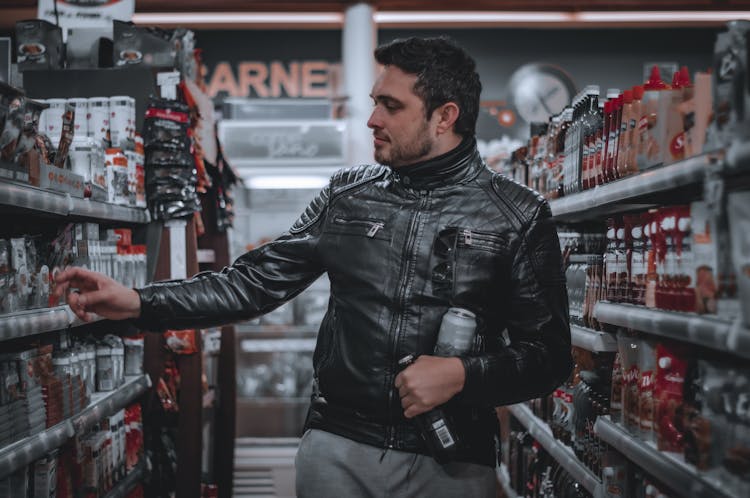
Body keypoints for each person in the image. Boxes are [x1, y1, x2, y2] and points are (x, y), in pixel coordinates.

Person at [55, 36, 573, 498]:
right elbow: (253, 282)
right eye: (374, 104)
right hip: (338, 450)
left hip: (452, 460)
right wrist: (139, 302)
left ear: (445, 116)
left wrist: (464, 374)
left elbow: (549, 357)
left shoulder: (519, 215)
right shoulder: (347, 195)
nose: (372, 120)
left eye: (391, 106)